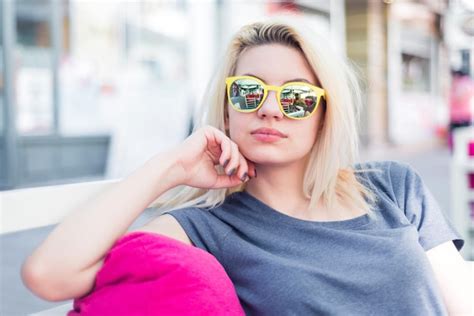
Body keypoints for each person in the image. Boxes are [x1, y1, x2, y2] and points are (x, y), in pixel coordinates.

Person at [21, 15, 472, 315]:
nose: (271, 109)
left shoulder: (394, 187)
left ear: (324, 113)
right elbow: (49, 275)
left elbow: (460, 300)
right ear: (227, 105)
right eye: (249, 92)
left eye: (296, 97)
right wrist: (170, 167)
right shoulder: (206, 230)